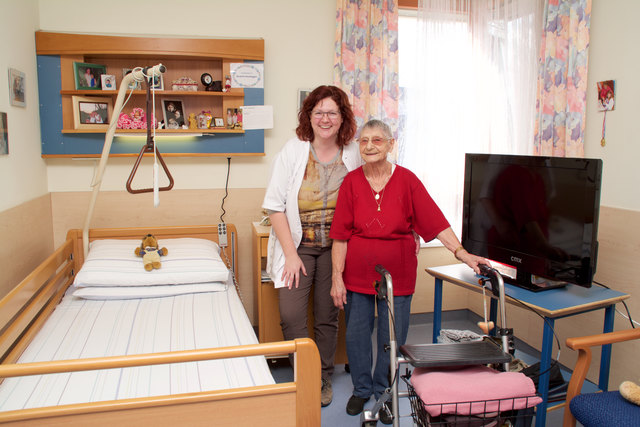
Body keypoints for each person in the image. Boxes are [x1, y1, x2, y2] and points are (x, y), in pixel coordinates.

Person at [329, 119, 489, 423]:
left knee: (392, 337)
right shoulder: (350, 182)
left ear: (391, 144)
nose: (370, 146)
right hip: (357, 273)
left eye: (377, 140)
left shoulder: (408, 180)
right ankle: (362, 389)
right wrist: (337, 277)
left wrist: (462, 252)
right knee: (358, 335)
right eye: (364, 141)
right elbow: (340, 235)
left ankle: (384, 391)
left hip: (398, 273)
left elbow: (436, 222)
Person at [262, 85, 362, 407]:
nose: (325, 118)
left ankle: (321, 378)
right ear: (309, 116)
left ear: (342, 117)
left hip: (337, 247)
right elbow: (275, 206)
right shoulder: (294, 151)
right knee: (291, 314)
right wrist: (290, 255)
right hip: (300, 246)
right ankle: (302, 373)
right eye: (318, 112)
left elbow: (369, 195)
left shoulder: (354, 153)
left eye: (332, 112)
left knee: (327, 316)